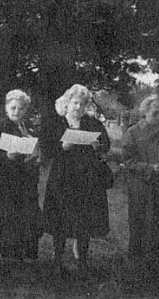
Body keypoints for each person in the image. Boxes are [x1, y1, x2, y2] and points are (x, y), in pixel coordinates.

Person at [40, 84, 110, 277]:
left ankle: (82, 260)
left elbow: (106, 144)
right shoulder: (56, 122)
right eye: (75, 103)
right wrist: (62, 146)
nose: (78, 107)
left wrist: (97, 146)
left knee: (84, 220)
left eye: (82, 104)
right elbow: (46, 149)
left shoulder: (92, 122)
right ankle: (57, 260)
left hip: (86, 178)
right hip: (62, 177)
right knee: (61, 219)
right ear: (67, 102)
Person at [0, 89, 42, 267]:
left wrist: (35, 154)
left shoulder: (27, 127)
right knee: (1, 216)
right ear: (6, 108)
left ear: (25, 110)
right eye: (13, 107)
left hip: (24, 179)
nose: (16, 111)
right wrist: (6, 156)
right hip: (4, 178)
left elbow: (35, 149)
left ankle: (18, 253)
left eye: (21, 108)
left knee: (23, 216)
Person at [121, 94, 159, 279]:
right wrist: (150, 168)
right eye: (155, 113)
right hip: (140, 186)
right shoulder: (133, 132)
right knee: (138, 223)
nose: (158, 117)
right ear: (145, 112)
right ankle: (134, 268)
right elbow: (127, 160)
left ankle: (155, 268)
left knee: (158, 225)